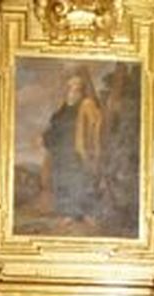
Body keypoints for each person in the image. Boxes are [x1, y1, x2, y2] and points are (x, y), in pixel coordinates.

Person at [41, 70, 105, 224]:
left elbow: (97, 122)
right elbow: (55, 125)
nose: (72, 91)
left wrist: (91, 143)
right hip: (62, 151)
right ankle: (69, 213)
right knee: (64, 180)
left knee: (83, 180)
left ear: (82, 89)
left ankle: (88, 213)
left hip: (78, 150)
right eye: (70, 87)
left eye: (76, 87)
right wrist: (47, 137)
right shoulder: (64, 107)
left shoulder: (86, 104)